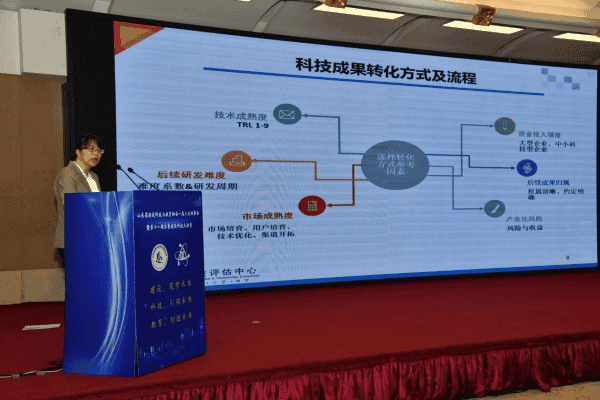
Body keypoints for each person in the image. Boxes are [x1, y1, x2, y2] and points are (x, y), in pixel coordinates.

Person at [54, 135, 103, 267]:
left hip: (92, 239)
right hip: (74, 239)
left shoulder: (93, 177)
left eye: (99, 150)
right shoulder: (67, 173)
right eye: (91, 149)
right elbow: (72, 205)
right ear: (78, 152)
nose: (96, 154)